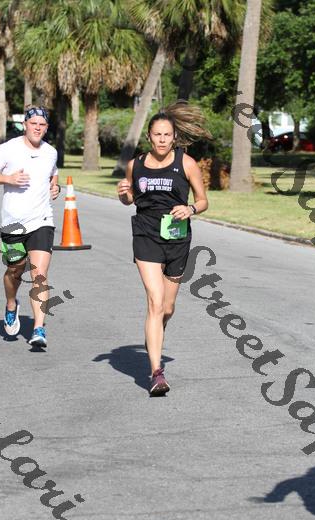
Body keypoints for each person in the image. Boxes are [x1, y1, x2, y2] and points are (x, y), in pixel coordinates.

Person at [117, 102, 210, 396]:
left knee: (167, 308)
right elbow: (130, 199)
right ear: (149, 136)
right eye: (157, 134)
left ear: (174, 137)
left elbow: (204, 200)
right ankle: (157, 373)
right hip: (145, 235)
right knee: (155, 303)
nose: (162, 139)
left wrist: (190, 209)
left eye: (167, 135)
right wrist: (124, 194)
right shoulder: (136, 165)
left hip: (177, 238)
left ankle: (155, 332)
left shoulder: (186, 163)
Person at [0, 105, 61, 348]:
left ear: (46, 128)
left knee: (39, 274)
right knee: (14, 270)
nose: (38, 128)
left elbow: (53, 174)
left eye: (42, 125)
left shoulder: (50, 152)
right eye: (33, 123)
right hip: (13, 223)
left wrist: (55, 187)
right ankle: (11, 304)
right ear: (25, 125)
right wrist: (8, 178)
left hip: (42, 221)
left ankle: (38, 328)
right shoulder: (9, 149)